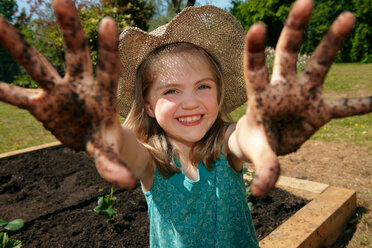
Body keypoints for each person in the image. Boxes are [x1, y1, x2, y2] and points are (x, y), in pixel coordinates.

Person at [0, 0, 370, 247]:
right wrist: (103, 130)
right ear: (146, 104)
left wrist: (261, 131)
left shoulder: (225, 143)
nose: (190, 101)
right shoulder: (151, 162)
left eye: (203, 86)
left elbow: (242, 136)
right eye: (171, 91)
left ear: (220, 91)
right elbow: (126, 147)